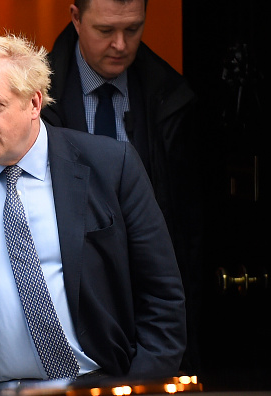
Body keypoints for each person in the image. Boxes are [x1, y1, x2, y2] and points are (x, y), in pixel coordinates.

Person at [0, 34, 185, 386]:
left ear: (34, 103)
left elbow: (161, 294)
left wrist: (140, 385)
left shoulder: (111, 166)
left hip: (94, 383)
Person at [40, 0, 202, 373]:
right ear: (76, 18)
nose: (120, 44)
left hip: (149, 311)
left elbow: (187, 226)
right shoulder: (36, 99)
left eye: (132, 29)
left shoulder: (171, 95)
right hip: (66, 309)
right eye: (105, 31)